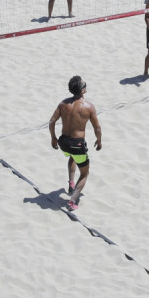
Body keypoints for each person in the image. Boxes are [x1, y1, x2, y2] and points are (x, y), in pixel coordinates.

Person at [48, 76, 102, 210]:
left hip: (63, 142)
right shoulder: (89, 107)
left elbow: (51, 122)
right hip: (77, 144)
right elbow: (97, 127)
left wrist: (53, 138)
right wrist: (99, 140)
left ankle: (72, 183)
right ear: (82, 90)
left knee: (72, 156)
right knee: (84, 173)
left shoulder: (62, 104)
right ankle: (72, 201)